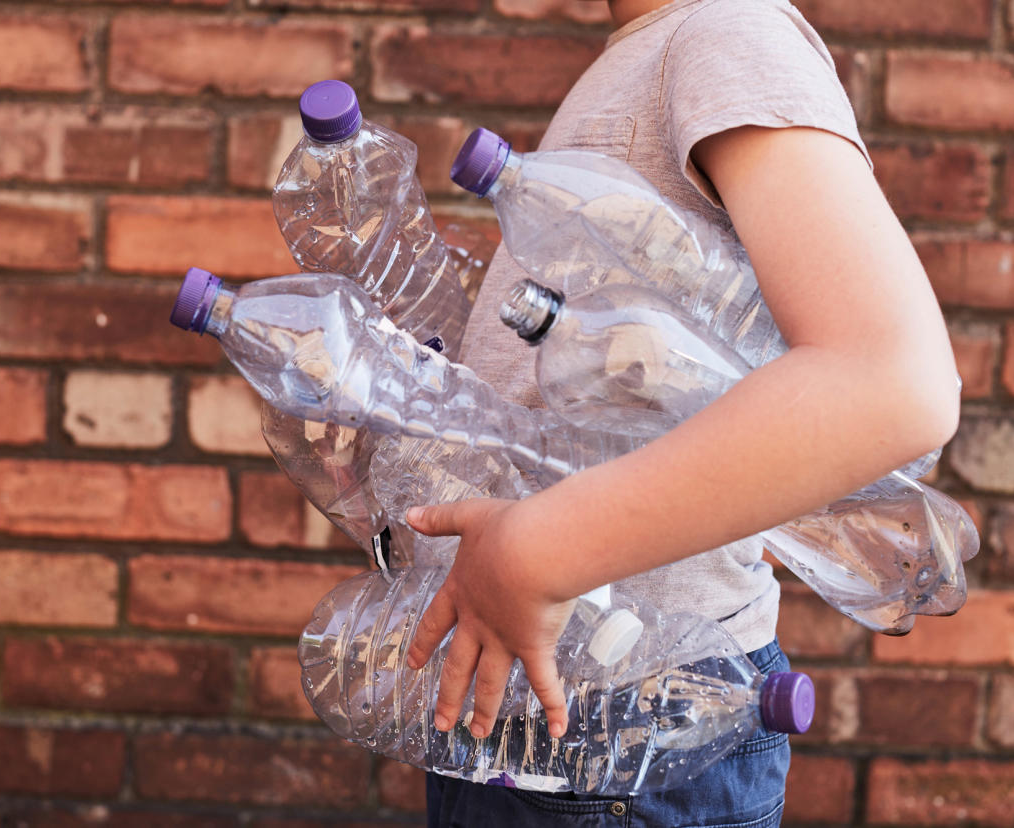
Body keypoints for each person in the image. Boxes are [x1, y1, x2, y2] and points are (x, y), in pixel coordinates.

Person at [402, 0, 961, 824]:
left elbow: (891, 380)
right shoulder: (656, 53)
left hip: (625, 729)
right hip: (558, 712)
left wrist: (536, 548)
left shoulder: (725, 37)